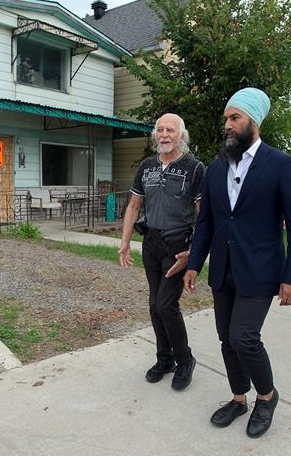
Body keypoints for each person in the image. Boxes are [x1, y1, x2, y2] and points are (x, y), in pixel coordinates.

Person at [183, 88, 291, 438]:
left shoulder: (281, 165)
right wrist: (195, 262)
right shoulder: (216, 168)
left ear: (254, 121)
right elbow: (207, 220)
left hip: (261, 268)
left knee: (244, 337)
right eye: (226, 118)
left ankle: (266, 397)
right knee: (226, 338)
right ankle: (239, 398)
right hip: (223, 267)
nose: (228, 124)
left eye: (234, 118)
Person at [119, 113, 205, 390]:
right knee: (154, 305)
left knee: (167, 305)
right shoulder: (146, 167)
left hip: (178, 247)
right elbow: (133, 206)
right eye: (160, 130)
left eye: (170, 130)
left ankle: (185, 359)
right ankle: (164, 358)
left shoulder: (194, 168)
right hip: (151, 245)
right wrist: (124, 242)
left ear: (182, 136)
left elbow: (203, 215)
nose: (164, 134)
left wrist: (195, 251)